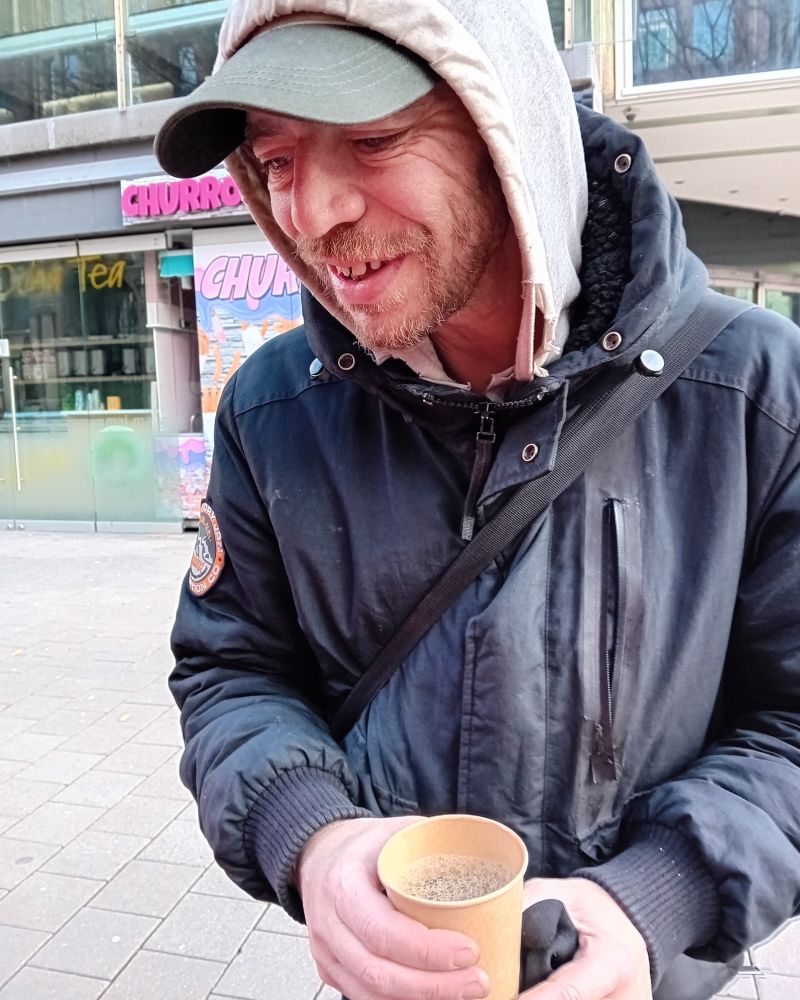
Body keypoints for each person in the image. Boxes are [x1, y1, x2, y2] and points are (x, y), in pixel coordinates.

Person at [156, 3, 800, 999]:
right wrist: (314, 836)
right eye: (276, 161)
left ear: (510, 131)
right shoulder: (271, 409)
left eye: (373, 140)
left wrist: (656, 897)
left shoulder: (758, 394)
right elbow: (232, 669)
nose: (311, 213)